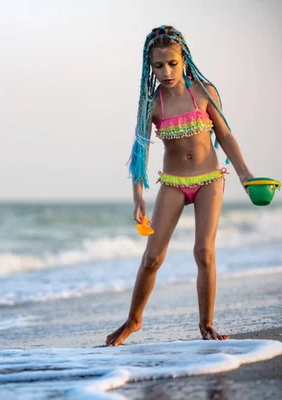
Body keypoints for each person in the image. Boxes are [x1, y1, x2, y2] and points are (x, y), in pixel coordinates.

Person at [106, 25, 254, 347]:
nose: (166, 71)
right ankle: (134, 320)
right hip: (172, 182)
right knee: (152, 258)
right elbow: (140, 151)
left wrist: (244, 174)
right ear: (150, 66)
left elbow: (225, 135)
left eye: (172, 63)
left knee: (204, 251)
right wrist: (137, 197)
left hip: (209, 180)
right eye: (158, 66)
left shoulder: (203, 91)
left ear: (183, 59)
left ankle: (206, 323)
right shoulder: (152, 105)